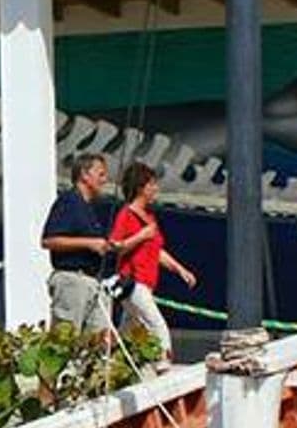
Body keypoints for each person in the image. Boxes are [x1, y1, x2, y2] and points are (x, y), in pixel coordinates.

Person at [110, 161, 198, 366]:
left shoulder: (149, 217)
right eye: (152, 184)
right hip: (133, 283)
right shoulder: (127, 214)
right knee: (158, 326)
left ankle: (108, 365)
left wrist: (180, 270)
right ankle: (164, 367)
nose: (156, 189)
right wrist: (141, 235)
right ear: (141, 188)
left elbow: (156, 251)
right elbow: (116, 247)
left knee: (127, 333)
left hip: (147, 283)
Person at [40, 153, 116, 332]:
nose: (105, 180)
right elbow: (48, 240)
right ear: (84, 174)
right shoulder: (69, 201)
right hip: (72, 281)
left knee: (98, 341)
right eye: (101, 174)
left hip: (93, 282)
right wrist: (89, 243)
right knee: (65, 341)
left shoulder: (88, 208)